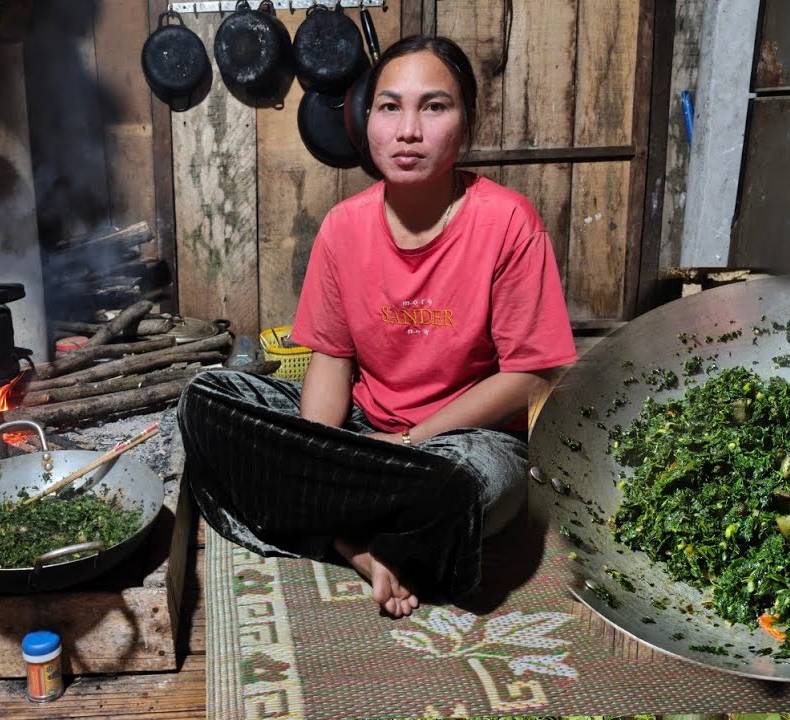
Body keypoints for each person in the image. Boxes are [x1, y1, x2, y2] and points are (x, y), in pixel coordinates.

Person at [177, 35, 576, 619]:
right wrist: (316, 450)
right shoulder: (344, 227)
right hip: (363, 434)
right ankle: (369, 543)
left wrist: (411, 443)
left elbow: (527, 376)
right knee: (205, 398)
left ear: (464, 123)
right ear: (367, 121)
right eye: (389, 107)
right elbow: (332, 359)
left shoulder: (509, 223)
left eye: (433, 107)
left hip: (465, 445)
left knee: (466, 493)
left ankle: (336, 528)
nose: (408, 130)